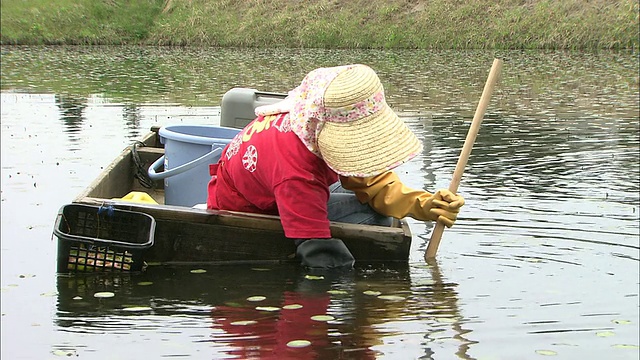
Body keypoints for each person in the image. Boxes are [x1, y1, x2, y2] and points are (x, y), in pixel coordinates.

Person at [207, 64, 465, 268]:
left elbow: (373, 184)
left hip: (274, 191)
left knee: (373, 206)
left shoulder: (308, 119)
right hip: (246, 212)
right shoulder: (297, 171)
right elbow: (316, 250)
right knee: (375, 220)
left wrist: (426, 205)